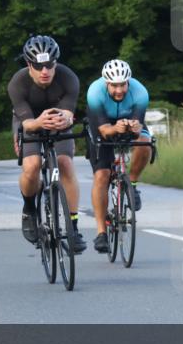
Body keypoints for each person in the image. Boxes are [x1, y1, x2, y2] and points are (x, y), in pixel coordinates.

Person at [8, 34, 87, 254]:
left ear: (56, 62)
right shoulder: (17, 83)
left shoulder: (68, 77)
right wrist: (37, 122)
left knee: (65, 164)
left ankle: (73, 227)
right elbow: (28, 123)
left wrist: (67, 119)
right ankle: (29, 209)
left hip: (57, 119)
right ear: (28, 64)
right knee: (32, 165)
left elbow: (70, 113)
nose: (45, 71)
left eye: (50, 64)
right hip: (29, 121)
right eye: (38, 65)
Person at [85, 59, 152, 254]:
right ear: (106, 83)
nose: (119, 90)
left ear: (128, 81)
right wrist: (116, 128)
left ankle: (132, 184)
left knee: (145, 143)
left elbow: (138, 127)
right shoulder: (95, 93)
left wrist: (133, 127)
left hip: (129, 120)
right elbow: (105, 130)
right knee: (102, 176)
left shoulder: (140, 92)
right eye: (114, 85)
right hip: (102, 125)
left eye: (123, 84)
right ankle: (101, 233)